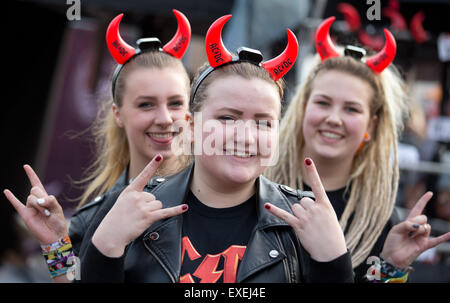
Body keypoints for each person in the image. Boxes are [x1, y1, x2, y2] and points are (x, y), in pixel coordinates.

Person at [76, 14, 354, 283]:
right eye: (227, 118)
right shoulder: (126, 207)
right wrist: (104, 251)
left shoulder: (303, 222)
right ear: (191, 127)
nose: (246, 137)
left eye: (263, 123)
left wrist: (334, 266)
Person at [3, 10, 193, 282]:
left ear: (189, 112)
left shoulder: (221, 200)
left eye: (175, 103)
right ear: (118, 113)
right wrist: (55, 244)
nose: (164, 119)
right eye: (146, 104)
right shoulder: (93, 216)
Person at [265, 16, 450, 282]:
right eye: (323, 103)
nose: (334, 118)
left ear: (371, 125)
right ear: (303, 107)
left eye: (351, 108)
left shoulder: (379, 221)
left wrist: (388, 270)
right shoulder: (256, 188)